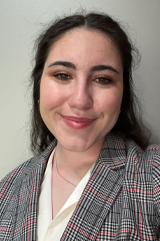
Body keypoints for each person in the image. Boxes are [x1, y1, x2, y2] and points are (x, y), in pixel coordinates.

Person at [0, 12, 160, 241]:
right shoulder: (6, 190)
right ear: (38, 88)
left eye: (103, 79)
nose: (80, 100)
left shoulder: (152, 177)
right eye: (63, 75)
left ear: (123, 94)